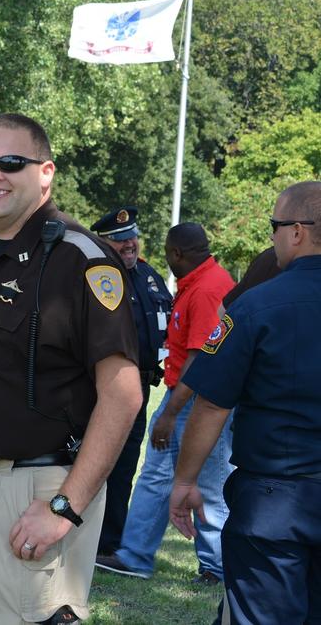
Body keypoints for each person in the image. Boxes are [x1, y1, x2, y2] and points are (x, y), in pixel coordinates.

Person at [0, 113, 142, 624]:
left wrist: (65, 507)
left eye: (11, 162)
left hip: (37, 494)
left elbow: (124, 395)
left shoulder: (80, 260)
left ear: (46, 173)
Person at [170, 181, 321, 624]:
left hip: (275, 505)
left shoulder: (255, 307)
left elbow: (212, 404)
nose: (271, 236)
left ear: (297, 231)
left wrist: (183, 483)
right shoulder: (256, 305)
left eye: (274, 226)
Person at [96, 223, 234, 585]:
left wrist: (171, 413)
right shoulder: (202, 282)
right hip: (184, 395)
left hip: (197, 399)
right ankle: (135, 555)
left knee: (208, 482)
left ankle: (217, 567)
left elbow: (200, 359)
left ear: (176, 254)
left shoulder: (205, 289)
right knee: (156, 476)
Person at [90, 206, 173, 556]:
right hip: (99, 389)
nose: (129, 245)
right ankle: (87, 538)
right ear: (103, 242)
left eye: (132, 238)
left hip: (139, 388)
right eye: (119, 240)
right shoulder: (95, 275)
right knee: (94, 462)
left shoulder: (148, 275)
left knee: (124, 466)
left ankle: (110, 541)